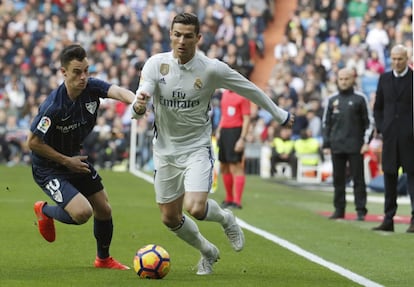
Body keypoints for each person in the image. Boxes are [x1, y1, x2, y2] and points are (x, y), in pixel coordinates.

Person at [132, 13, 294, 275]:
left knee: (195, 207)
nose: (181, 40)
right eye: (177, 34)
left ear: (198, 38)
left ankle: (226, 218)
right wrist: (139, 105)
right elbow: (143, 97)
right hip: (164, 151)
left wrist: (279, 114)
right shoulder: (155, 64)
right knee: (169, 217)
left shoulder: (211, 69)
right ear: (170, 35)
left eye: (187, 36)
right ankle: (208, 251)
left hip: (197, 147)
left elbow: (249, 89)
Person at [28, 44, 140, 270]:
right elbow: (33, 143)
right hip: (49, 167)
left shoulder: (91, 87)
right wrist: (65, 161)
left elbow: (117, 91)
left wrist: (136, 100)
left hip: (74, 159)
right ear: (64, 72)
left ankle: (103, 259)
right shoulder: (53, 107)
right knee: (82, 213)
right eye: (77, 72)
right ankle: (45, 210)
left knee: (104, 209)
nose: (83, 77)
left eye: (86, 70)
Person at [322, 68, 375, 221]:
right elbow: (326, 123)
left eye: (346, 79)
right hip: (336, 146)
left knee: (358, 180)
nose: (344, 82)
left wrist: (366, 142)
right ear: (337, 80)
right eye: (341, 79)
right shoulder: (332, 100)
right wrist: (326, 144)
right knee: (338, 180)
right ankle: (339, 210)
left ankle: (360, 210)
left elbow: (369, 122)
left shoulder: (360, 98)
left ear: (353, 79)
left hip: (356, 146)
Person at [372, 44, 414, 233]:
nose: (396, 62)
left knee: (413, 178)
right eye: (394, 59)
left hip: (410, 138)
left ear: (407, 59)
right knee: (389, 177)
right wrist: (382, 127)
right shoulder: (384, 79)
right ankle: (388, 219)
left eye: (400, 59)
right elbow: (378, 107)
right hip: (389, 137)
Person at [216, 89, 251, 209]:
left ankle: (237, 201)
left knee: (235, 166)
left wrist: (242, 138)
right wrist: (219, 129)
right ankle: (229, 198)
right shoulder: (225, 94)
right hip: (224, 132)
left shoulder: (243, 95)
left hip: (235, 132)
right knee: (224, 166)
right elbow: (224, 114)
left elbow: (247, 118)